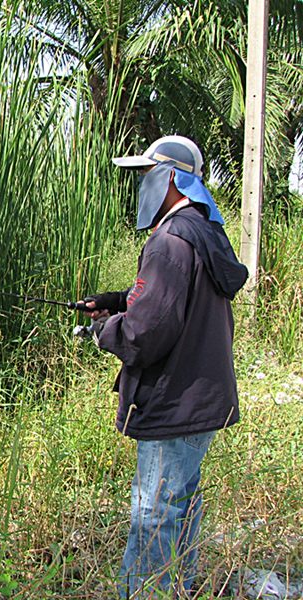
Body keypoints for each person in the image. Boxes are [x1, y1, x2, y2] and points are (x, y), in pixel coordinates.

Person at [82, 136, 248, 597]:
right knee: (180, 504)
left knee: (154, 512)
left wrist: (104, 330)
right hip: (201, 399)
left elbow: (145, 335)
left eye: (147, 174)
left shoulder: (170, 241)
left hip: (173, 402)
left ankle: (145, 592)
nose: (141, 184)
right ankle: (179, 586)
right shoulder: (202, 231)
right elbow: (177, 302)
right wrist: (116, 302)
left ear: (172, 178)